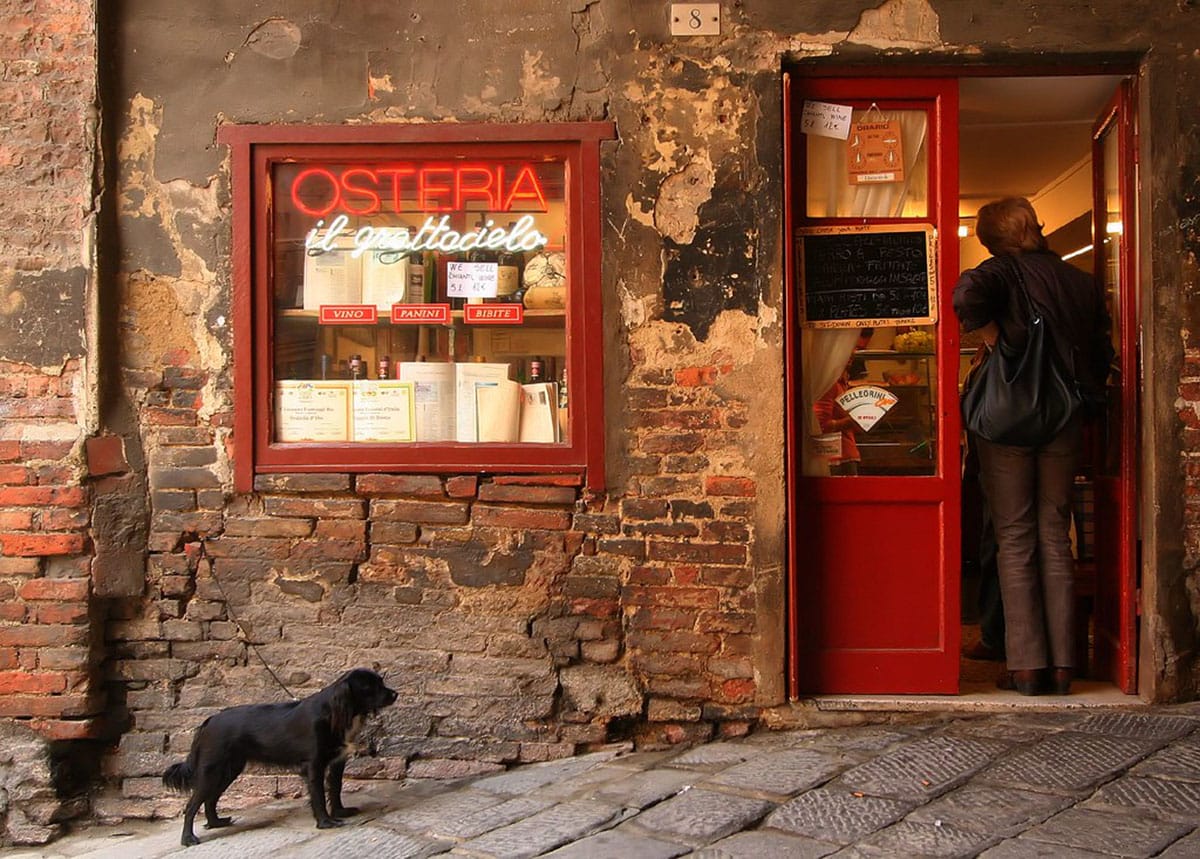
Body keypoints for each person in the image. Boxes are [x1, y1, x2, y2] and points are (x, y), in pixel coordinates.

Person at [952, 197, 1112, 696]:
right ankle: (1063, 664)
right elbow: (1101, 351)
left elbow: (963, 297)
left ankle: (1025, 667)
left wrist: (998, 339)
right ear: (1035, 228)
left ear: (991, 241)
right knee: (1054, 537)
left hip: (1006, 424)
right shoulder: (1078, 281)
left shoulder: (999, 272)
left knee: (1016, 539)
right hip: (1063, 422)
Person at [814, 329, 873, 476]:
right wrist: (853, 420)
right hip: (836, 459)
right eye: (849, 350)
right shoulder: (828, 384)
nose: (853, 353)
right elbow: (821, 426)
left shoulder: (841, 382)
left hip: (846, 455)